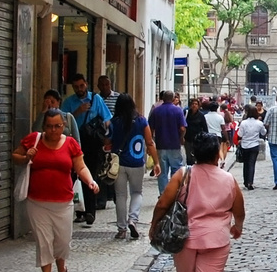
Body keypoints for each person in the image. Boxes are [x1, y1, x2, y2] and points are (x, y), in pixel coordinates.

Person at [151, 132, 244, 272]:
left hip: (186, 238)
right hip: (216, 239)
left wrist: (154, 226)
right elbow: (238, 209)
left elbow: (163, 202)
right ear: (216, 154)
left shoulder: (184, 174)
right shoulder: (228, 179)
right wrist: (237, 226)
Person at [14, 108, 100, 272]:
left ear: (64, 126)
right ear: (44, 126)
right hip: (37, 202)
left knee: (62, 241)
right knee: (43, 241)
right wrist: (26, 156)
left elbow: (81, 166)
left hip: (63, 202)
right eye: (50, 126)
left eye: (57, 126)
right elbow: (15, 156)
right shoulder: (34, 139)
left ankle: (62, 266)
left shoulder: (70, 144)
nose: (53, 130)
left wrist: (90, 181)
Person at [62, 73, 111, 226]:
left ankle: (90, 211)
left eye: (81, 86)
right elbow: (63, 122)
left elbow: (107, 118)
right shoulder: (69, 102)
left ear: (86, 84)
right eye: (76, 87)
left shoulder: (96, 99)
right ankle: (79, 211)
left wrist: (103, 133)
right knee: (74, 177)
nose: (79, 89)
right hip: (74, 142)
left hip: (92, 144)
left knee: (90, 175)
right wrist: (78, 112)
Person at [110, 93, 157, 240]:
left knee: (120, 196)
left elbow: (107, 141)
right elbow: (150, 143)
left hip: (119, 164)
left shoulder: (114, 122)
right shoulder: (142, 121)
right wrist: (156, 162)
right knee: (137, 192)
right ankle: (133, 220)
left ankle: (121, 228)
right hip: (137, 162)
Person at [149, 90, 187, 192]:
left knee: (162, 172)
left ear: (163, 98)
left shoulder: (156, 111)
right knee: (176, 170)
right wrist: (181, 138)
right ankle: (175, 192)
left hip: (160, 145)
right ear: (173, 98)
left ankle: (163, 194)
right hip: (174, 144)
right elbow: (183, 128)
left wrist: (151, 142)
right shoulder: (178, 110)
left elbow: (150, 129)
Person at [235, 103, 265, 189]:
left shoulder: (243, 123)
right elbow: (263, 132)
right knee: (252, 164)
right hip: (254, 145)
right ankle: (250, 182)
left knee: (246, 164)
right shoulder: (259, 123)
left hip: (245, 145)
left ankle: (245, 181)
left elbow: (240, 134)